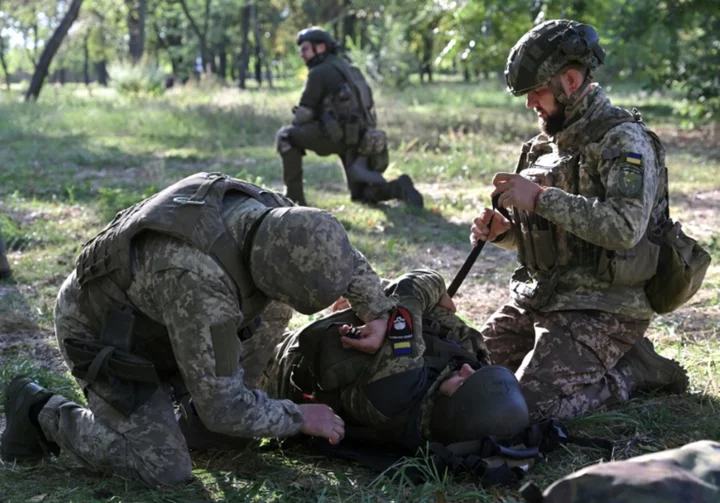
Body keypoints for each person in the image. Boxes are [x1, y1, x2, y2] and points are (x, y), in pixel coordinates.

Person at [1, 172, 398, 486]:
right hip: (105, 334)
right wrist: (296, 416)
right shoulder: (199, 280)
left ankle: (207, 412)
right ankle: (39, 411)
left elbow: (334, 251)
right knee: (163, 468)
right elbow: (222, 406)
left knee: (263, 333)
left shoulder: (277, 219)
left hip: (166, 317)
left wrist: (377, 312)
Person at [469, 20, 688, 422]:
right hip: (541, 298)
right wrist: (505, 234)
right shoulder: (543, 147)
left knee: (524, 412)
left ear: (569, 81)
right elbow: (559, 238)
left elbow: (624, 228)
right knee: (467, 379)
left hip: (604, 309)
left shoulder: (623, 141)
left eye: (535, 91)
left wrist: (538, 198)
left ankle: (632, 371)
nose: (529, 103)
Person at [259, 269, 530, 450]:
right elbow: (450, 327)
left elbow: (411, 286)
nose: (469, 369)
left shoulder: (399, 387)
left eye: (463, 382)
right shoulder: (454, 383)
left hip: (271, 362)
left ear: (451, 408)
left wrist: (431, 291)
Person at [275, 27, 423, 208]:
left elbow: (304, 115)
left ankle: (293, 199)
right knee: (360, 195)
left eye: (305, 49)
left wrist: (300, 119)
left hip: (337, 136)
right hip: (359, 137)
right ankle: (399, 188)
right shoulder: (348, 68)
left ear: (320, 48)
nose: (301, 54)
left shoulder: (319, 72)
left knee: (286, 136)